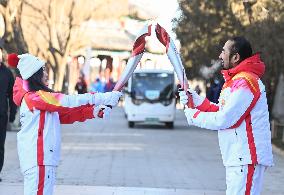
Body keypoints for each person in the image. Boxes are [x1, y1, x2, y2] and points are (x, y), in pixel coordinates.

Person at [10, 53, 122, 195]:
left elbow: (66, 114)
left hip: (40, 160)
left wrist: (93, 112)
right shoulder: (35, 97)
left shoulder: (37, 99)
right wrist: (103, 97)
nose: (46, 74)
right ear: (34, 75)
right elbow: (68, 101)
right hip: (40, 159)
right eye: (42, 70)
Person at [179, 36, 273, 195]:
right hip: (238, 158)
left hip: (246, 157)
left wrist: (193, 116)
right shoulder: (237, 80)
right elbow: (222, 111)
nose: (220, 56)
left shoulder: (246, 82)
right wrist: (196, 100)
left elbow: (225, 119)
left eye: (224, 52)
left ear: (236, 57)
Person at [0, 48, 17, 182]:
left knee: (0, 145)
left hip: (1, 115)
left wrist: (12, 113)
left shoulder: (7, 73)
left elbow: (12, 95)